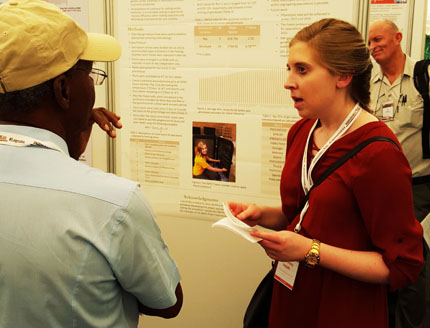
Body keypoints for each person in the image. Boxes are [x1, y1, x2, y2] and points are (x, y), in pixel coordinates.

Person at [229, 18, 424, 328]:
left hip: (344, 307)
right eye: (289, 68)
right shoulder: (302, 132)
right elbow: (310, 212)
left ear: (343, 76)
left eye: (302, 70)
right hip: (292, 296)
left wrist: (310, 250)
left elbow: (399, 266)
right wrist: (263, 214)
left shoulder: (379, 154)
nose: (288, 82)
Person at [0, 1, 182, 327]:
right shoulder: (111, 202)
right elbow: (167, 301)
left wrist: (67, 145)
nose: (93, 87)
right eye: (89, 73)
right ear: (64, 90)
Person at [368, 19, 430, 328]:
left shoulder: (424, 77)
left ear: (398, 38)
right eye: (369, 42)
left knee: (412, 256)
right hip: (381, 189)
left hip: (417, 186)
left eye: (378, 39)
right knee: (386, 254)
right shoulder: (369, 86)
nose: (372, 46)